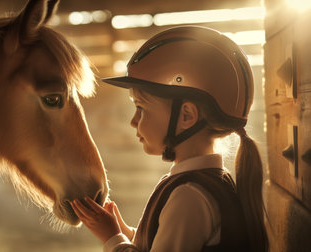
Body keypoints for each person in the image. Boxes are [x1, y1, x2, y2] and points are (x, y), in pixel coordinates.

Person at [70, 26, 269, 252]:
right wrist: (125, 233)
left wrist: (113, 238)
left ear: (186, 116)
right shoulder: (195, 184)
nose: (133, 121)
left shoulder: (189, 197)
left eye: (141, 108)